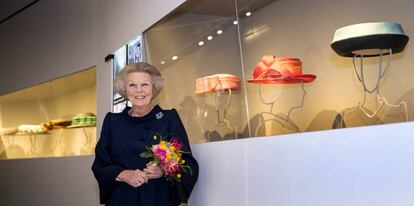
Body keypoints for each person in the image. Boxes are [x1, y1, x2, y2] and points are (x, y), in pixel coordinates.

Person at [92, 62, 199, 206]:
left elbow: (188, 163)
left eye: (144, 85)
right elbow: (100, 164)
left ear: (153, 89)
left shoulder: (169, 119)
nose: (139, 91)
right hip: (121, 200)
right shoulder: (112, 121)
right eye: (132, 85)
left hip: (159, 199)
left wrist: (164, 171)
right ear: (125, 90)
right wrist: (123, 174)